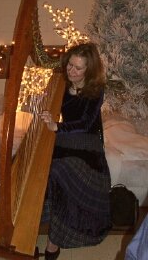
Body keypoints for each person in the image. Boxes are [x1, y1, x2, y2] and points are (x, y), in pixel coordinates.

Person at [40, 42, 111, 260]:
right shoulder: (61, 83)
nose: (71, 71)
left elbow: (84, 123)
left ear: (89, 70)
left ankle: (54, 243)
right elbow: (49, 105)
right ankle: (35, 226)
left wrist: (57, 127)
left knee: (61, 169)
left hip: (87, 144)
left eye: (77, 68)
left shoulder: (96, 91)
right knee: (44, 167)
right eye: (70, 64)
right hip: (65, 139)